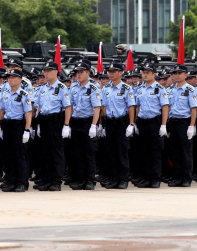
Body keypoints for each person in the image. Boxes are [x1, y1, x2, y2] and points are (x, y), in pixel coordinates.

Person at [34, 61, 72, 192]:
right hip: (44, 121)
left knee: (56, 153)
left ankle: (56, 181)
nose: (46, 73)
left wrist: (66, 125)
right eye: (45, 71)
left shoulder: (61, 88)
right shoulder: (43, 88)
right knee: (44, 153)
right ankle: (46, 180)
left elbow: (67, 107)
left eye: (48, 71)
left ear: (56, 71)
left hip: (55, 122)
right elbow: (39, 107)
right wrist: (38, 124)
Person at [133, 62, 170, 188]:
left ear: (154, 74)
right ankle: (146, 178)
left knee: (155, 152)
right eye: (143, 72)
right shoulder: (139, 88)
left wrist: (163, 125)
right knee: (144, 152)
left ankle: (155, 179)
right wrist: (135, 122)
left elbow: (165, 107)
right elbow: (137, 106)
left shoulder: (159, 88)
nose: (145, 75)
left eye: (148, 72)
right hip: (142, 122)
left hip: (154, 122)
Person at [101, 62, 136, 189]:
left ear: (120, 73)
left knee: (122, 152)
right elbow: (103, 107)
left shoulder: (127, 88)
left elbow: (131, 107)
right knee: (111, 153)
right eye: (109, 71)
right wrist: (103, 125)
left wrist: (131, 124)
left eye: (113, 71)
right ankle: (113, 179)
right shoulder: (106, 88)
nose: (110, 73)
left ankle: (123, 179)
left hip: (121, 123)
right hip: (110, 123)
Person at [68, 62, 102, 190]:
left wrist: (94, 125)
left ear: (88, 73)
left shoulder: (93, 87)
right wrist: (69, 124)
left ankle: (89, 180)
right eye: (77, 72)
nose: (79, 74)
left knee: (88, 153)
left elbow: (97, 108)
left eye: (82, 72)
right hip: (76, 121)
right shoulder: (74, 87)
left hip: (88, 122)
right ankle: (79, 179)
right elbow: (70, 106)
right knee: (77, 153)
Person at [0, 69, 32, 192]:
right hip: (7, 125)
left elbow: (28, 113)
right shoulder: (5, 94)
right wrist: (0, 126)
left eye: (13, 77)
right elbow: (2, 111)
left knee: (19, 155)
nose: (10, 80)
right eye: (9, 77)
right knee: (8, 155)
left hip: (18, 126)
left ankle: (21, 182)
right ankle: (11, 181)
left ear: (20, 80)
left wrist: (27, 130)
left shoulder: (24, 94)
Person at [166, 64, 197, 187]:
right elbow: (168, 108)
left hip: (184, 122)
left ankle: (186, 178)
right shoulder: (170, 90)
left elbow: (193, 109)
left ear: (185, 75)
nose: (176, 76)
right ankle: (178, 177)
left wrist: (191, 126)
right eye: (175, 73)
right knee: (175, 152)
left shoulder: (190, 89)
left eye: (179, 73)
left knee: (185, 152)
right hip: (173, 123)